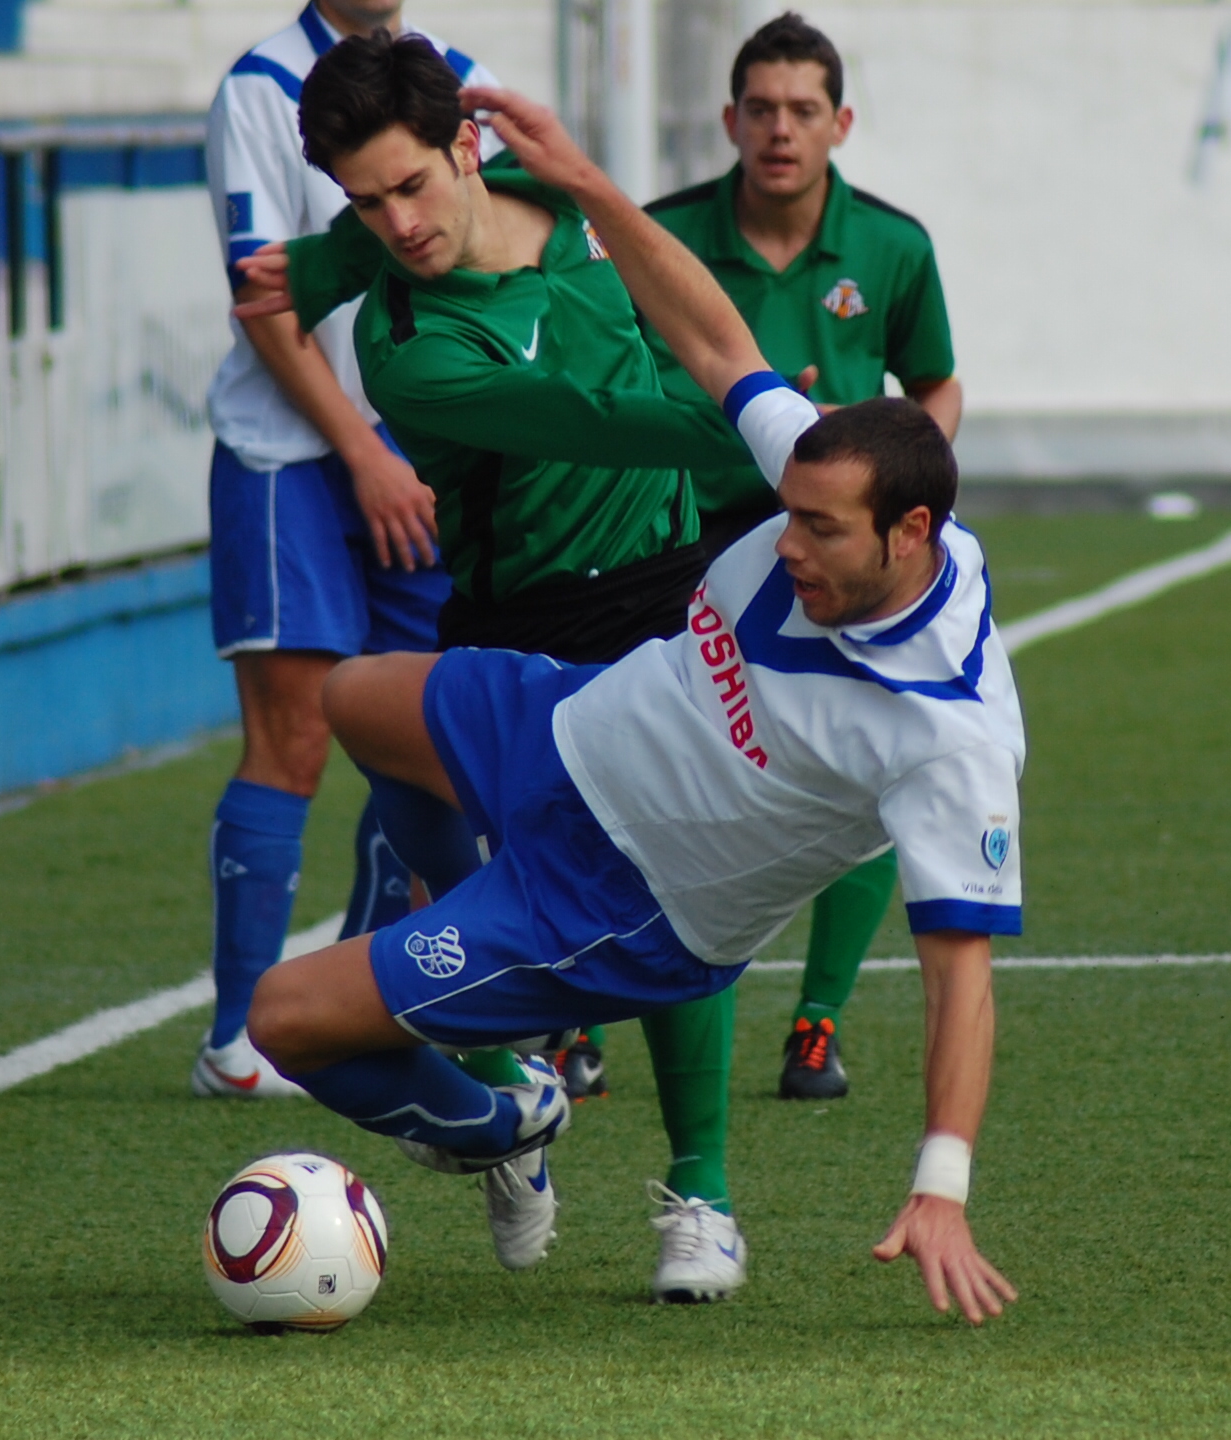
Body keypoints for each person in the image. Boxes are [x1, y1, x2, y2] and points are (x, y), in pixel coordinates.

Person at [246, 83, 1022, 1327]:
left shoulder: (949, 736)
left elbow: (960, 973)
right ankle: (511, 1107)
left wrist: (943, 1180)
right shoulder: (825, 480)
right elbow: (719, 345)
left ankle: (515, 1120)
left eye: (819, 533)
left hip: (609, 894)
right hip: (565, 718)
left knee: (282, 1019)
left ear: (911, 532)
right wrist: (594, 186)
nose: (790, 547)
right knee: (354, 693)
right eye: (793, 514)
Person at [235, 30, 771, 1295]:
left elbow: (646, 276)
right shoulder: (408, 349)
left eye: (411, 185)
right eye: (364, 205)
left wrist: (312, 258)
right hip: (510, 617)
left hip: (657, 600)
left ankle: (702, 1197)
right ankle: (503, 1094)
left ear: (468, 146)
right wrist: (766, 422)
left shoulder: (558, 206)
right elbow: (598, 423)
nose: (397, 224)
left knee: (676, 880)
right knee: (436, 856)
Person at [643, 14, 964, 1104]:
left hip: (835, 553)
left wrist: (900, 498)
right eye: (762, 110)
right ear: (729, 119)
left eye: (804, 111)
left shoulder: (894, 246)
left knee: (865, 769)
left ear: (841, 124)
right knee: (657, 770)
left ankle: (817, 1021)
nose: (782, 131)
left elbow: (935, 386)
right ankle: (578, 1020)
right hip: (688, 545)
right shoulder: (663, 236)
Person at [194, 0, 506, 1106]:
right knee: (294, 738)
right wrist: (363, 453)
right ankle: (237, 1038)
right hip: (289, 450)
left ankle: (367, 1006)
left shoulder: (463, 80)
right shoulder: (261, 86)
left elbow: (498, 256)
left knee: (427, 735)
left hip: (425, 453)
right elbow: (264, 298)